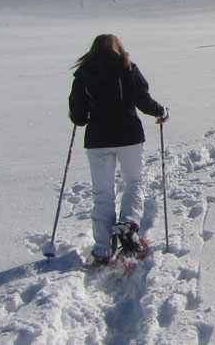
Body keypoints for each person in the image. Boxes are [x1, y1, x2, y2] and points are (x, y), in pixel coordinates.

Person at [69, 34, 169, 264]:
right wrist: (161, 112)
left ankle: (103, 248)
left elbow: (79, 116)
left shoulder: (83, 74)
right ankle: (129, 224)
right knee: (133, 181)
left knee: (102, 193)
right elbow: (143, 100)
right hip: (129, 136)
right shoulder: (128, 68)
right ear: (118, 47)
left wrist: (80, 114)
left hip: (98, 139)